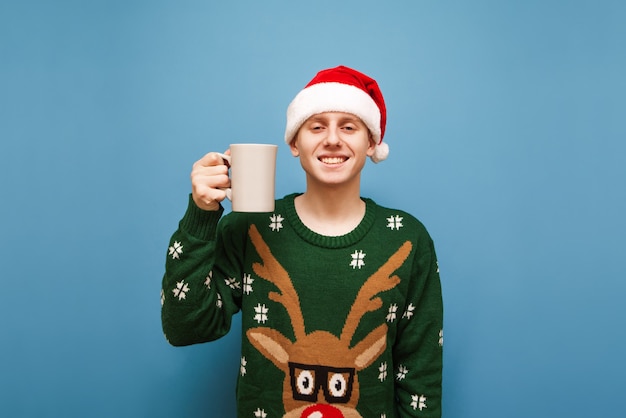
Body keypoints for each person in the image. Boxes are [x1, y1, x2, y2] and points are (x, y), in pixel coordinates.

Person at [161, 65, 443, 418]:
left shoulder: (406, 239)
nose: (333, 139)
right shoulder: (248, 229)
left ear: (371, 142)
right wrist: (201, 216)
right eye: (317, 126)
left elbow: (421, 372)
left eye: (349, 126)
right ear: (294, 142)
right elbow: (183, 327)